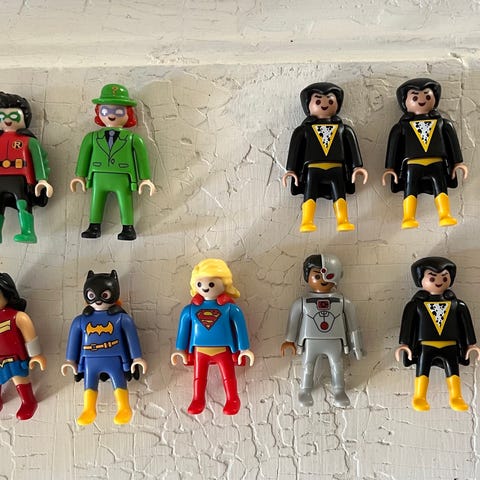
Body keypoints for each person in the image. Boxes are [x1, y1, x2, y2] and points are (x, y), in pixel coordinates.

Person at [70, 84, 156, 240]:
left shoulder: (132, 138)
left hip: (123, 175)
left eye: (118, 112)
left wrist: (145, 178)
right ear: (99, 112)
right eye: (105, 111)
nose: (111, 115)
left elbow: (141, 157)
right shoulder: (92, 137)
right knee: (96, 200)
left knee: (125, 200)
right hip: (99, 175)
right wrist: (80, 175)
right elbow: (84, 155)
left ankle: (128, 228)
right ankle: (94, 226)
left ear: (128, 113)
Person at [61, 270, 147, 425]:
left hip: (115, 357)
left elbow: (132, 338)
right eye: (92, 295)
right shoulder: (80, 321)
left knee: (118, 380)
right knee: (89, 383)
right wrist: (70, 360)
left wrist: (137, 358)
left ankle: (124, 407)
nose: (98, 300)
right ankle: (89, 409)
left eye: (104, 295)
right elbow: (73, 340)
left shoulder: (121, 318)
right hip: (89, 359)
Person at [396, 256, 480, 411]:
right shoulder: (416, 305)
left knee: (453, 371)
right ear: (420, 280)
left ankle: (456, 396)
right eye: (432, 278)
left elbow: (466, 324)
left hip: (450, 345)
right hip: (426, 346)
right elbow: (408, 324)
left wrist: (471, 344)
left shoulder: (457, 304)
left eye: (444, 277)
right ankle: (419, 396)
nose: (439, 281)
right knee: (422, 370)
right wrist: (404, 344)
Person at [171, 258, 254, 415]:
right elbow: (183, 330)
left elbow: (240, 327)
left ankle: (233, 399)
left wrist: (244, 348)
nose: (205, 287)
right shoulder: (190, 309)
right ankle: (198, 399)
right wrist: (180, 349)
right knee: (199, 378)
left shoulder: (229, 308)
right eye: (200, 283)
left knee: (228, 376)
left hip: (223, 350)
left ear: (224, 283)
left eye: (211, 284)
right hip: (200, 351)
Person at [282, 82, 367, 232]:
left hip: (337, 169)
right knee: (310, 193)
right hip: (313, 169)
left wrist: (357, 167)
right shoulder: (304, 130)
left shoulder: (343, 129)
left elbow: (352, 148)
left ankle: (343, 220)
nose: (324, 104)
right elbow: (295, 149)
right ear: (308, 105)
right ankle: (306, 221)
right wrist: (291, 170)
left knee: (339, 194)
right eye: (318, 101)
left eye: (330, 100)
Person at [382, 78, 467, 228]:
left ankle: (445, 214)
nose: (421, 100)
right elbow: (393, 146)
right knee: (410, 189)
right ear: (404, 102)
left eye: (427, 96)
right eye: (415, 98)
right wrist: (390, 168)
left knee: (441, 188)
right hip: (412, 165)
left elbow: (452, 143)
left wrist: (458, 162)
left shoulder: (443, 123)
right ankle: (408, 217)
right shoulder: (402, 127)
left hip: (437, 163)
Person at [281, 254, 364, 407]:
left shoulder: (343, 302)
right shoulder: (302, 302)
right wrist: (289, 340)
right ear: (307, 277)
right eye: (317, 276)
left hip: (335, 341)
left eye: (327, 275)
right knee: (308, 365)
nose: (322, 280)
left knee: (337, 366)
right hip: (310, 341)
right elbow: (293, 320)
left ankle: (339, 391)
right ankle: (305, 390)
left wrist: (356, 346)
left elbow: (353, 326)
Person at [0, 92, 52, 243]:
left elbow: (39, 160)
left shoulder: (29, 142)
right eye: (2, 116)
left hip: (20, 179)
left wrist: (42, 179)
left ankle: (28, 232)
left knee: (22, 203)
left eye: (14, 116)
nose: (8, 120)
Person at [0, 273, 46, 419]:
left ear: (7, 294)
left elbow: (30, 336)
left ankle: (28, 401)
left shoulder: (17, 317)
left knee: (19, 378)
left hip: (14, 358)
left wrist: (36, 354)